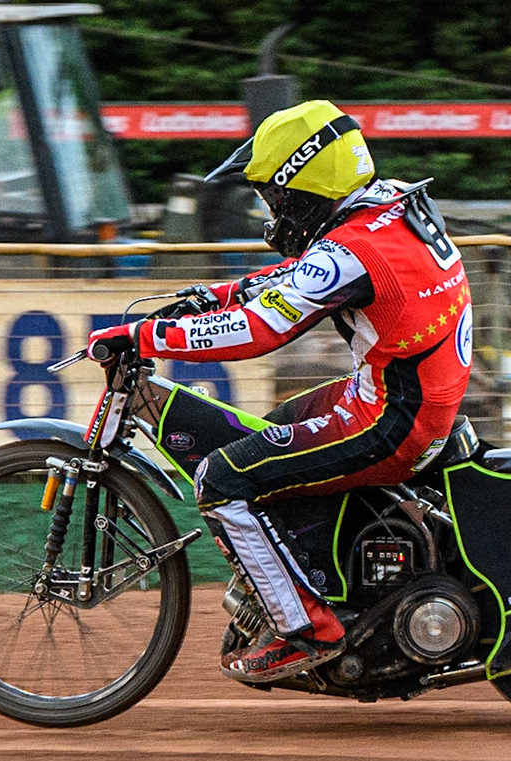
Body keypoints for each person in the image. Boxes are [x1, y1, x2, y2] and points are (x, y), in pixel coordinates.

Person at [89, 100, 474, 683]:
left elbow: (262, 329)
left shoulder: (352, 249)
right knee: (270, 438)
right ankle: (324, 577)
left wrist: (146, 336)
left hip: (391, 419)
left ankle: (306, 630)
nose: (269, 211)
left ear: (304, 184)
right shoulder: (385, 208)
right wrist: (216, 295)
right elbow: (300, 279)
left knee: (222, 479)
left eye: (273, 195)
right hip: (405, 399)